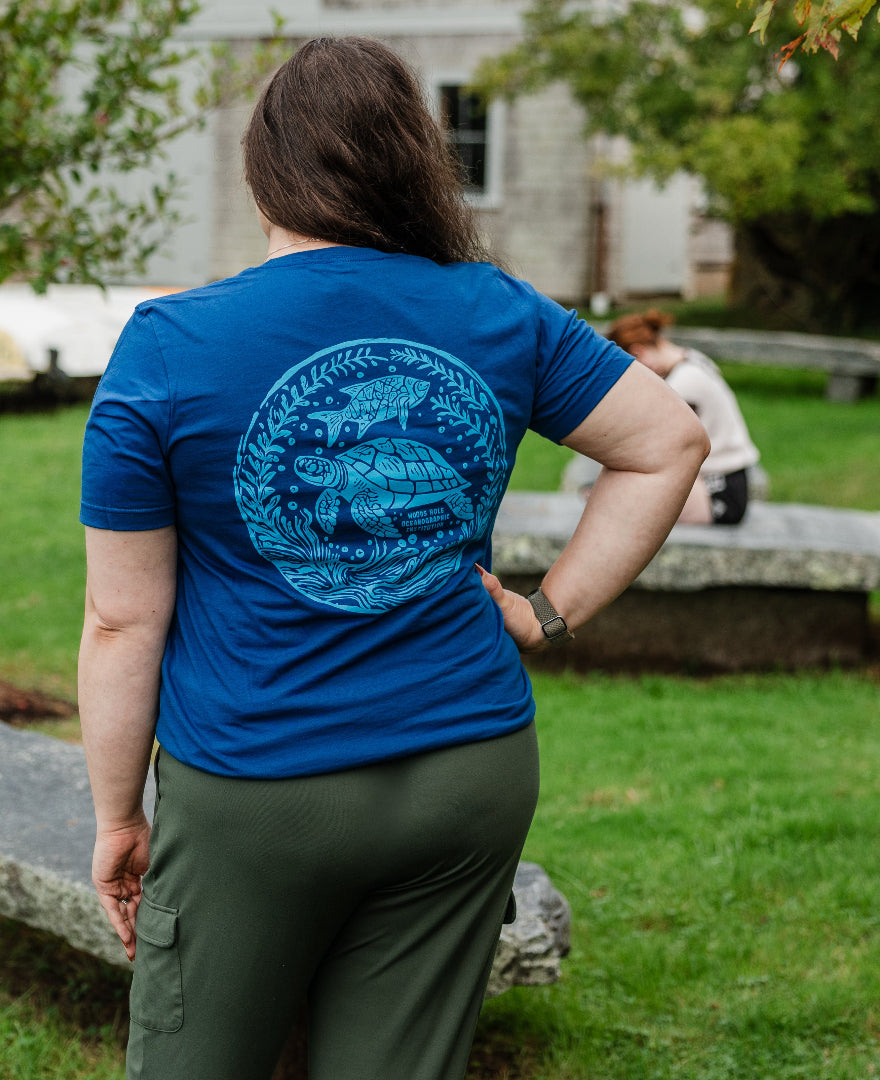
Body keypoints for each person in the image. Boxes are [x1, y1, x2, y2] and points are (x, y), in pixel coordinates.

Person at [77, 36, 708, 1080]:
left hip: (257, 786)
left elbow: (121, 619)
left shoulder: (170, 344)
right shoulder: (496, 309)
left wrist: (115, 816)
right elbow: (668, 440)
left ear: (261, 167)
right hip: (469, 772)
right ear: (414, 156)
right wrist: (548, 613)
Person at [606, 310, 760, 525]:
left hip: (717, 492)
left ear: (639, 352)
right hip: (728, 482)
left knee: (616, 501)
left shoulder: (683, 384)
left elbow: (645, 441)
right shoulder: (693, 360)